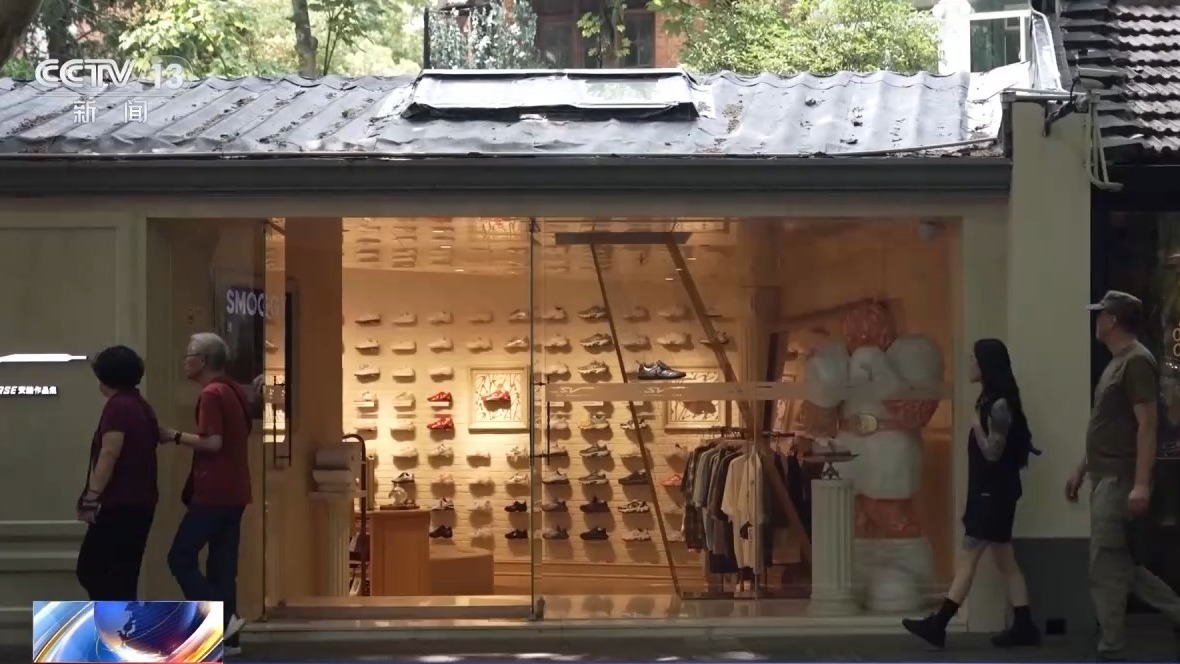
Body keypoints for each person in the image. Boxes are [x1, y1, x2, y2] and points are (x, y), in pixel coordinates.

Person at [902, 339, 1040, 649]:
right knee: (1005, 560)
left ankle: (939, 624)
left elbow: (993, 453)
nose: (969, 365)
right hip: (993, 492)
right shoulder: (991, 400)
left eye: (974, 360)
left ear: (986, 365)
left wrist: (976, 424)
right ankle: (1024, 625)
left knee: (969, 556)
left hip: (993, 494)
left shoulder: (998, 405)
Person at [1068, 290, 1180, 661]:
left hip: (1119, 478)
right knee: (1121, 563)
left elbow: (1147, 424)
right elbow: (1108, 426)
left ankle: (1112, 643)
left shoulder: (1136, 362)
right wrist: (1083, 467)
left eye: (1101, 314)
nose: (1096, 320)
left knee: (1106, 562)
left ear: (1113, 319)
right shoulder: (1117, 363)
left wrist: (1141, 483)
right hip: (1106, 476)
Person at [161, 332, 251, 654]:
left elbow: (213, 442)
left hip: (213, 492)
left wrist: (173, 436)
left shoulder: (211, 393)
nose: (185, 361)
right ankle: (230, 639)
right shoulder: (235, 390)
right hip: (236, 491)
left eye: (189, 355)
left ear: (202, 360)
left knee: (180, 557)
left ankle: (224, 621)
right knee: (222, 567)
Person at [75, 345, 161, 600]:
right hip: (141, 501)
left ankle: (111, 621)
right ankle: (121, 621)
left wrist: (91, 497)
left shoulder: (117, 407)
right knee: (123, 575)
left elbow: (109, 453)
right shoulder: (141, 405)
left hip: (118, 503)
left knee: (92, 570)